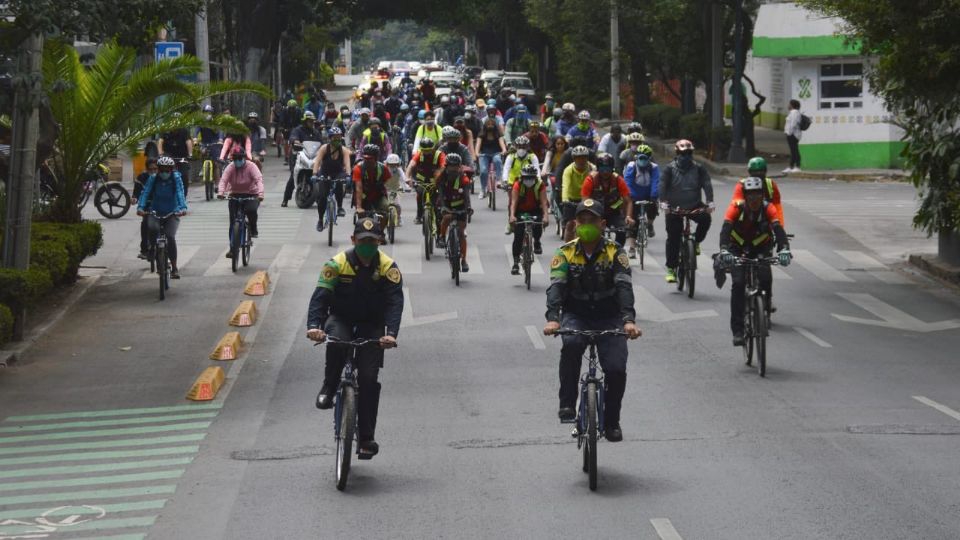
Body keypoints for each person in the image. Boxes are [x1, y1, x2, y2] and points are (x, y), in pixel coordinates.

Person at [543, 198, 641, 442]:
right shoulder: (564, 253)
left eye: (592, 220)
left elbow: (624, 287)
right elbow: (556, 287)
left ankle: (612, 422)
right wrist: (553, 319)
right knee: (572, 346)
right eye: (582, 220)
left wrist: (628, 320)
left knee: (616, 369)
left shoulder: (615, 252)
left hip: (610, 317)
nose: (587, 225)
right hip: (577, 315)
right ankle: (566, 403)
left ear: (603, 223)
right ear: (575, 224)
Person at [307, 217, 403, 459]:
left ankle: (367, 438)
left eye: (373, 241)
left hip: (372, 325)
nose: (368, 246)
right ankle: (329, 386)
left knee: (369, 379)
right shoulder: (337, 264)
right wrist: (313, 327)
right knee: (337, 341)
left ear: (380, 241)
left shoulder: (388, 267)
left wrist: (390, 334)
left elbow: (395, 303)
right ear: (353, 240)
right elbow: (320, 297)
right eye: (363, 241)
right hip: (341, 318)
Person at [717, 176, 791, 346]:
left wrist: (784, 249)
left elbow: (778, 230)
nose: (754, 199)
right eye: (750, 195)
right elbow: (725, 230)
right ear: (745, 196)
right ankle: (738, 331)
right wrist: (724, 250)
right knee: (738, 284)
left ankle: (763, 310)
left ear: (762, 195)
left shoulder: (769, 208)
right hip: (737, 249)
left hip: (760, 248)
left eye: (758, 195)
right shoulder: (736, 208)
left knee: (765, 278)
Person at [658, 139, 715, 283]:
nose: (686, 157)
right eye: (683, 154)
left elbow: (707, 184)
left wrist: (710, 202)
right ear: (677, 154)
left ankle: (695, 242)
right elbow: (662, 185)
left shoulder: (699, 168)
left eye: (689, 153)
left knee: (706, 219)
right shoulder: (669, 169)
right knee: (674, 237)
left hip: (694, 205)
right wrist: (663, 202)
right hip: (674, 208)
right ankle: (671, 269)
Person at [136, 156, 188, 279]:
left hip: (172, 212)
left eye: (167, 170)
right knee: (152, 229)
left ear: (171, 170)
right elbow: (146, 193)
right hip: (155, 211)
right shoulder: (153, 179)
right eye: (162, 170)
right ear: (158, 170)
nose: (164, 173)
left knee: (170, 236)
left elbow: (180, 193)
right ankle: (153, 249)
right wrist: (141, 207)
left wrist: (183, 207)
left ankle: (174, 267)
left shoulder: (176, 178)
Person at [217, 146, 264, 256]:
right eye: (235, 159)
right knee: (233, 222)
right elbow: (223, 180)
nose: (237, 161)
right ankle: (232, 248)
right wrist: (221, 193)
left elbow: (259, 180)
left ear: (244, 158)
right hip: (235, 194)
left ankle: (253, 228)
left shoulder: (251, 166)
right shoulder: (230, 167)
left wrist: (260, 194)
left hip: (251, 194)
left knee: (251, 210)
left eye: (239, 158)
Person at [579, 153, 633, 247]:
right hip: (595, 213)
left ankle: (617, 251)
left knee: (622, 231)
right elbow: (585, 201)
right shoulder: (590, 180)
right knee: (595, 233)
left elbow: (628, 201)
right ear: (598, 169)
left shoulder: (618, 180)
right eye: (602, 169)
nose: (605, 172)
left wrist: (628, 216)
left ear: (612, 169)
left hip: (613, 212)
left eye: (608, 169)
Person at [434, 153, 473, 272]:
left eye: (456, 166)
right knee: (446, 218)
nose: (453, 169)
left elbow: (467, 197)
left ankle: (464, 260)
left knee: (461, 233)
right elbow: (440, 195)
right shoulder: (441, 177)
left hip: (460, 205)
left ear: (459, 167)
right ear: (446, 166)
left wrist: (468, 208)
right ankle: (441, 237)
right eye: (450, 166)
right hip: (446, 204)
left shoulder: (464, 179)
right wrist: (444, 208)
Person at [509, 164, 550, 274]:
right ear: (522, 178)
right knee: (518, 236)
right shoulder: (518, 185)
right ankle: (516, 262)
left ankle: (537, 241)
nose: (529, 180)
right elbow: (513, 203)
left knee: (538, 227)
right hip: (520, 211)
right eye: (526, 178)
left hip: (535, 210)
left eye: (531, 178)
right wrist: (512, 216)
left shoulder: (540, 185)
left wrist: (546, 216)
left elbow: (544, 202)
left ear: (535, 178)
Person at [622, 144, 660, 257]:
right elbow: (627, 182)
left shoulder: (654, 167)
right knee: (633, 221)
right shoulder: (631, 166)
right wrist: (630, 196)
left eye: (646, 158)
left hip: (648, 195)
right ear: (636, 157)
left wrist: (654, 196)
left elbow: (655, 182)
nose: (643, 160)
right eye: (641, 157)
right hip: (634, 195)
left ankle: (650, 224)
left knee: (653, 208)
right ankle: (632, 248)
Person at [312, 127, 352, 230]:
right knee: (322, 197)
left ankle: (339, 207)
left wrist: (348, 175)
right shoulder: (324, 148)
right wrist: (315, 174)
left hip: (338, 172)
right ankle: (320, 220)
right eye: (335, 138)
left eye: (339, 138)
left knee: (339, 184)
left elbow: (347, 164)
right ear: (330, 138)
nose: (337, 140)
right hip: (324, 172)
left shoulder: (344, 150)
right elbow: (317, 162)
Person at [282, 111, 324, 207]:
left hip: (312, 157)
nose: (311, 123)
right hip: (297, 155)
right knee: (293, 176)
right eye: (309, 121)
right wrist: (295, 141)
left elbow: (321, 142)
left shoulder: (316, 132)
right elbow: (293, 137)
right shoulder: (298, 130)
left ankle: (319, 197)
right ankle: (285, 199)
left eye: (312, 121)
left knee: (321, 175)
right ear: (305, 121)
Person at [731, 157, 784, 225]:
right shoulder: (741, 185)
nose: (758, 175)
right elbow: (735, 205)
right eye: (755, 173)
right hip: (745, 222)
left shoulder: (771, 184)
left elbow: (777, 206)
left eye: (761, 172)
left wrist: (780, 226)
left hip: (766, 222)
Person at [405, 138, 446, 224]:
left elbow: (443, 167)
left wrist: (438, 175)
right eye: (424, 150)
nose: (426, 153)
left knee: (438, 199)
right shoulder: (419, 154)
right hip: (422, 181)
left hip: (436, 182)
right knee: (420, 194)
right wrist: (407, 178)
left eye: (428, 150)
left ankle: (440, 215)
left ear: (433, 148)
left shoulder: (440, 155)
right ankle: (419, 216)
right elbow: (411, 165)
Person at [560, 145, 596, 241]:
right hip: (572, 200)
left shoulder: (592, 168)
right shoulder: (568, 170)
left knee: (591, 223)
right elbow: (565, 186)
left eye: (583, 157)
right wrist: (565, 200)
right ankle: (567, 250)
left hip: (587, 199)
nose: (581, 160)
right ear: (574, 159)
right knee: (570, 225)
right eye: (578, 158)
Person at [353, 144, 391, 232]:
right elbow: (358, 188)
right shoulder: (357, 168)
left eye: (370, 159)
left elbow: (389, 182)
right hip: (363, 196)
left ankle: (381, 233)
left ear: (376, 158)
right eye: (365, 158)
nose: (367, 161)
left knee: (385, 209)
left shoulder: (383, 168)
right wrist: (359, 207)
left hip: (378, 195)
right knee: (363, 217)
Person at [474, 117, 506, 198]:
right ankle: (483, 190)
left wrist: (504, 150)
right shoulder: (481, 134)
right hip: (484, 154)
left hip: (496, 153)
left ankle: (498, 180)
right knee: (483, 171)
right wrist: (477, 153)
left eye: (492, 124)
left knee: (497, 160)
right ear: (485, 126)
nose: (490, 126)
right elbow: (478, 145)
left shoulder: (498, 134)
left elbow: (502, 144)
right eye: (488, 124)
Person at [158, 124, 193, 197]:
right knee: (164, 172)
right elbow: (160, 141)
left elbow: (188, 142)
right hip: (169, 155)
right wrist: (160, 153)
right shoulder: (165, 130)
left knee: (184, 174)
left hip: (181, 156)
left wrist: (190, 154)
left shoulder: (184, 131)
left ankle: (183, 195)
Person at [133, 158, 158, 260]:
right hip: (147, 206)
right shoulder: (142, 178)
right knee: (145, 224)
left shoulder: (163, 178)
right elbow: (137, 193)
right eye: (150, 169)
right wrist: (134, 198)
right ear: (146, 169)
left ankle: (166, 254)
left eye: (155, 169)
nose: (153, 171)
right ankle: (144, 250)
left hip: (161, 206)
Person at [784, 99, 803, 173]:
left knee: (795, 150)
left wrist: (789, 133)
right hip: (792, 134)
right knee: (793, 151)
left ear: (792, 105)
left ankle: (797, 166)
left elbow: (793, 124)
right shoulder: (793, 112)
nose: (788, 105)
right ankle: (791, 166)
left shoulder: (795, 113)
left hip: (793, 135)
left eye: (789, 104)